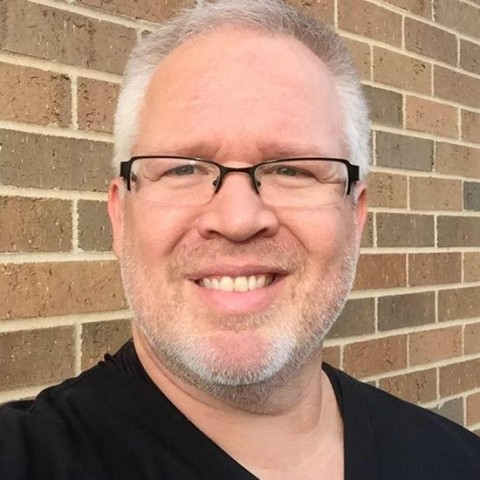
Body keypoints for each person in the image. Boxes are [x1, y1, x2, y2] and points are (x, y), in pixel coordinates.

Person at [1, 1, 479, 478]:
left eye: (291, 169)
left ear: (355, 216)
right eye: (183, 168)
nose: (237, 219)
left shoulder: (456, 459)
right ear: (120, 216)